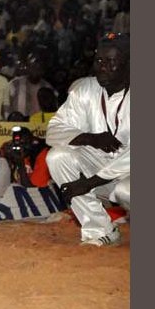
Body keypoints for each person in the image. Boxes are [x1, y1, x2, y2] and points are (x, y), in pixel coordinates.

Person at [46, 33, 130, 246]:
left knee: (125, 191)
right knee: (57, 156)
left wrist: (89, 183)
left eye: (111, 61)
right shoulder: (85, 89)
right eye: (99, 60)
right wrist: (90, 138)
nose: (102, 67)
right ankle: (101, 230)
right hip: (102, 169)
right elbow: (54, 130)